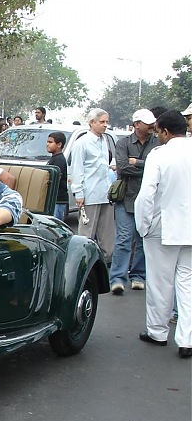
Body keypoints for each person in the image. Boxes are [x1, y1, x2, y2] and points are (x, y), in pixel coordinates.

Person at [134, 111, 192, 358]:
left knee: (160, 282)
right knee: (187, 283)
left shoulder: (160, 154)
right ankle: (187, 338)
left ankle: (158, 332)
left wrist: (143, 225)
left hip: (162, 226)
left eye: (157, 131)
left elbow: (147, 194)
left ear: (165, 132)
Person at [110, 108, 158, 295]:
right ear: (137, 124)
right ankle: (117, 278)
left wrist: (136, 163)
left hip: (149, 198)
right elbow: (122, 168)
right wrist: (146, 166)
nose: (152, 126)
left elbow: (157, 167)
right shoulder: (123, 143)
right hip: (127, 197)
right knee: (123, 239)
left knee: (142, 239)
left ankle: (138, 275)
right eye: (148, 123)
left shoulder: (156, 144)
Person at [69, 108, 114, 262]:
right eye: (102, 122)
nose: (105, 125)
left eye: (107, 122)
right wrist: (79, 193)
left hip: (105, 193)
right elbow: (77, 170)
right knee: (86, 234)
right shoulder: (82, 143)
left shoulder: (104, 140)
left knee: (106, 234)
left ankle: (104, 262)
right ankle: (83, 262)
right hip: (90, 193)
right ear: (92, 122)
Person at [46, 131, 68, 220]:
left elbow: (55, 179)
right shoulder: (53, 158)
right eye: (47, 142)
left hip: (58, 199)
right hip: (53, 200)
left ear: (59, 145)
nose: (47, 144)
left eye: (50, 142)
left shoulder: (59, 160)